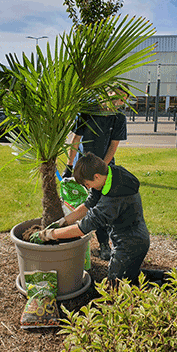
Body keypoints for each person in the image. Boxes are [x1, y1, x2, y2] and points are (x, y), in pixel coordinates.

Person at [36, 152, 150, 286]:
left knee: (115, 285)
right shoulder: (109, 175)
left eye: (87, 184)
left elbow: (83, 228)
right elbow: (88, 205)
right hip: (129, 236)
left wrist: (50, 234)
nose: (88, 188)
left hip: (130, 244)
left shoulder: (113, 198)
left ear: (96, 176)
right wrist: (63, 221)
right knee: (131, 276)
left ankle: (167, 281)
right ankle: (167, 277)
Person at [62, 87, 128, 260]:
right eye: (117, 95)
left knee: (99, 206)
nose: (120, 101)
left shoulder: (119, 118)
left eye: (124, 99)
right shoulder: (87, 111)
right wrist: (69, 166)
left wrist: (101, 169)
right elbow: (75, 139)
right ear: (108, 92)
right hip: (82, 165)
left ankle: (104, 243)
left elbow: (113, 146)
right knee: (76, 201)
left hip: (104, 167)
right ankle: (71, 236)